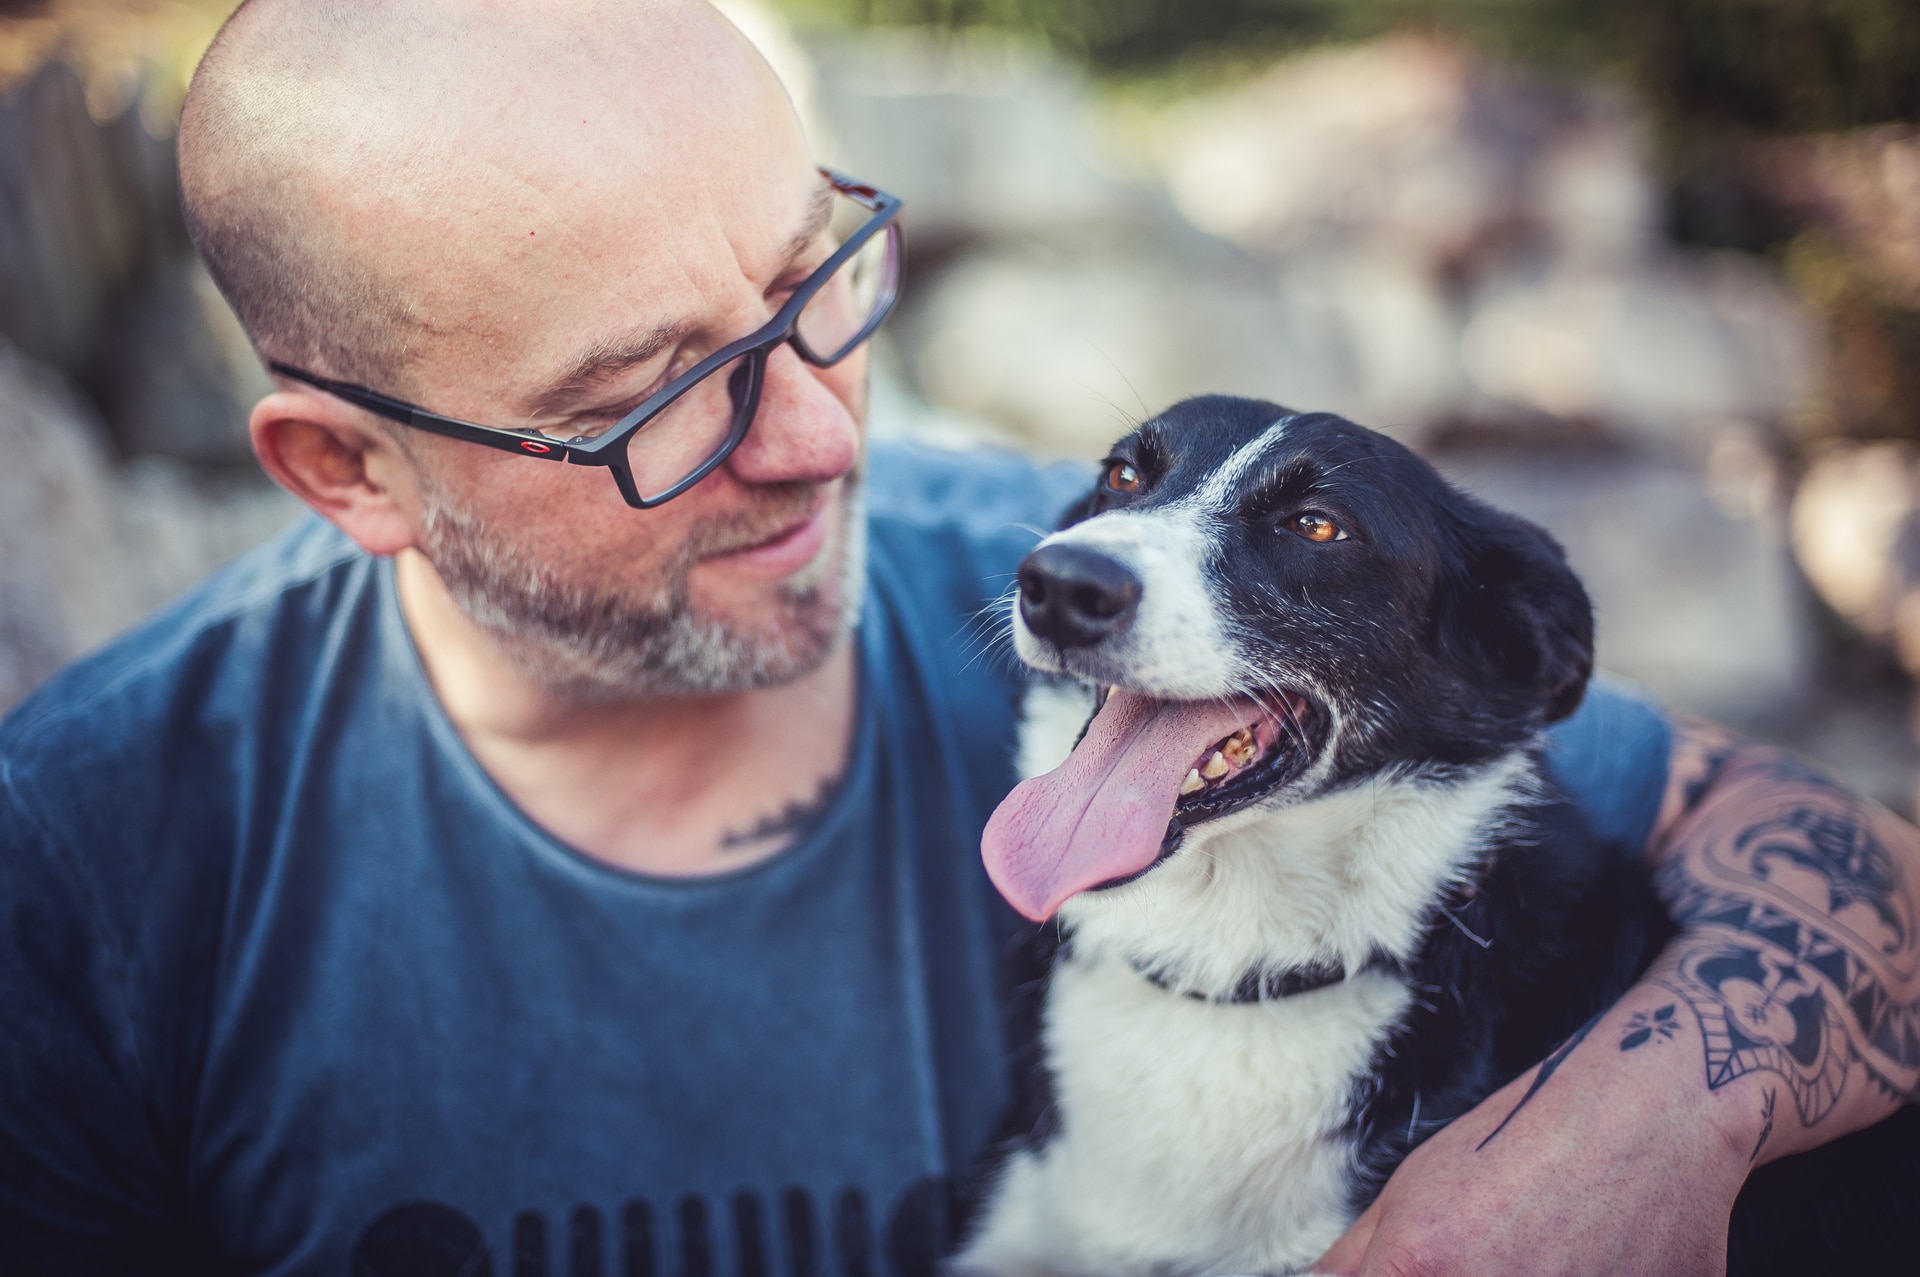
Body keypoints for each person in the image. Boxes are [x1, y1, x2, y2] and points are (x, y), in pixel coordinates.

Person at [0, 1, 1913, 1274]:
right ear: (353, 469)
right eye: (660, 392)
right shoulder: (84, 874)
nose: (830, 433)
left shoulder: (1062, 575)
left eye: (808, 275)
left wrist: (1677, 1112)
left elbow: (1859, 869)